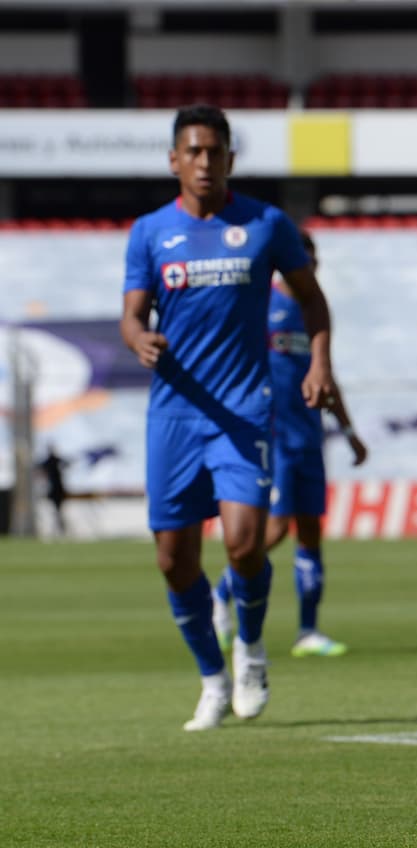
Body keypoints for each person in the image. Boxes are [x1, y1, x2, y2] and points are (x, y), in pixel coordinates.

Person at [119, 104, 334, 731]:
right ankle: (211, 676)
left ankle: (251, 651)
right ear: (174, 161)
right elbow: (132, 313)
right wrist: (137, 337)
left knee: (244, 543)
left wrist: (319, 364)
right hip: (175, 417)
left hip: (244, 410)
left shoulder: (266, 224)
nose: (205, 162)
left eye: (215, 151)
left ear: (230, 159)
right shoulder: (150, 232)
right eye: (193, 151)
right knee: (173, 560)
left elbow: (315, 305)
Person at [212, 229, 368, 658]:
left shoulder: (312, 311)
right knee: (278, 528)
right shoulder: (263, 307)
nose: (310, 269)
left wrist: (349, 431)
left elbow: (326, 376)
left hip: (308, 439)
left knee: (311, 533)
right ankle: (220, 591)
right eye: (304, 261)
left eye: (313, 262)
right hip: (273, 438)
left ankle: (307, 631)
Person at [37, 445, 69, 535]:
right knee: (55, 511)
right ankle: (57, 529)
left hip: (56, 489)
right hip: (55, 489)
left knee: (57, 511)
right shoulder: (53, 460)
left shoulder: (53, 460)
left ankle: (59, 529)